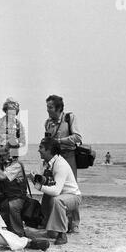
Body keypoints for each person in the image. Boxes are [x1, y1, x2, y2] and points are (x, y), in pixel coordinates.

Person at [31, 138, 81, 246]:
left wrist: (39, 187)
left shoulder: (60, 164)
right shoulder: (47, 163)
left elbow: (56, 191)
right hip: (62, 195)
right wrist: (34, 178)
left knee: (57, 200)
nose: (38, 150)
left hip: (72, 196)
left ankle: (62, 234)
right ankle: (58, 226)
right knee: (51, 234)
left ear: (49, 150)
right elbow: (45, 180)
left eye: (41, 148)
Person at [44, 94, 81, 233]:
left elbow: (77, 137)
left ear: (58, 108)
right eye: (47, 107)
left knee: (71, 189)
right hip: (55, 158)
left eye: (50, 107)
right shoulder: (47, 123)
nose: (48, 110)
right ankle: (56, 220)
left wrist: (59, 141)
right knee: (53, 187)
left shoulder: (69, 118)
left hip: (69, 155)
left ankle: (74, 223)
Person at [0, 145, 27, 237]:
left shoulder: (17, 165)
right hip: (2, 199)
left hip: (16, 198)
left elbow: (1, 177)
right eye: (1, 155)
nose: (2, 157)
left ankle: (19, 234)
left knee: (12, 206)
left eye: (4, 154)